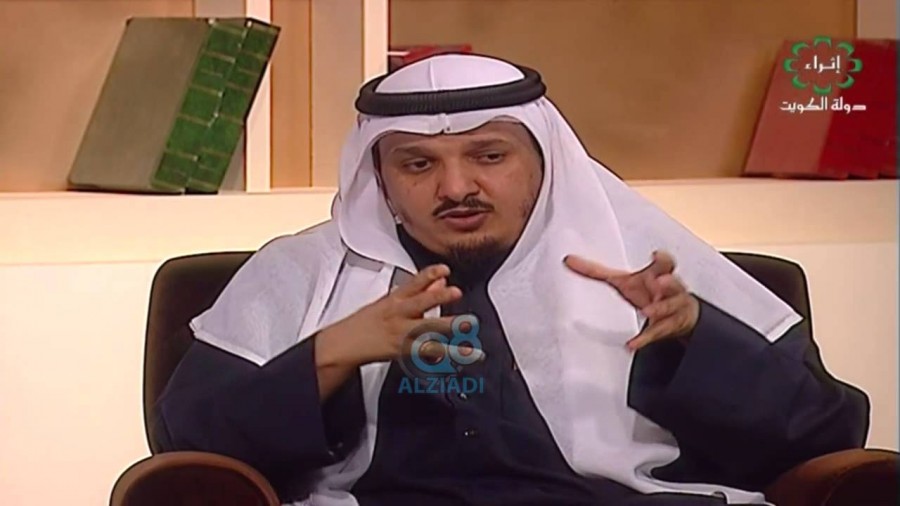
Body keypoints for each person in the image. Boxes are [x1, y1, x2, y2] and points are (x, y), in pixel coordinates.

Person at [152, 54, 869, 506]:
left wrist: (697, 337)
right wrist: (332, 352)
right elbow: (189, 442)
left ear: (543, 162)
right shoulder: (306, 273)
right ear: (380, 180)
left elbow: (824, 433)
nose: (456, 187)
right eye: (418, 164)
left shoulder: (642, 263)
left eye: (489, 156)